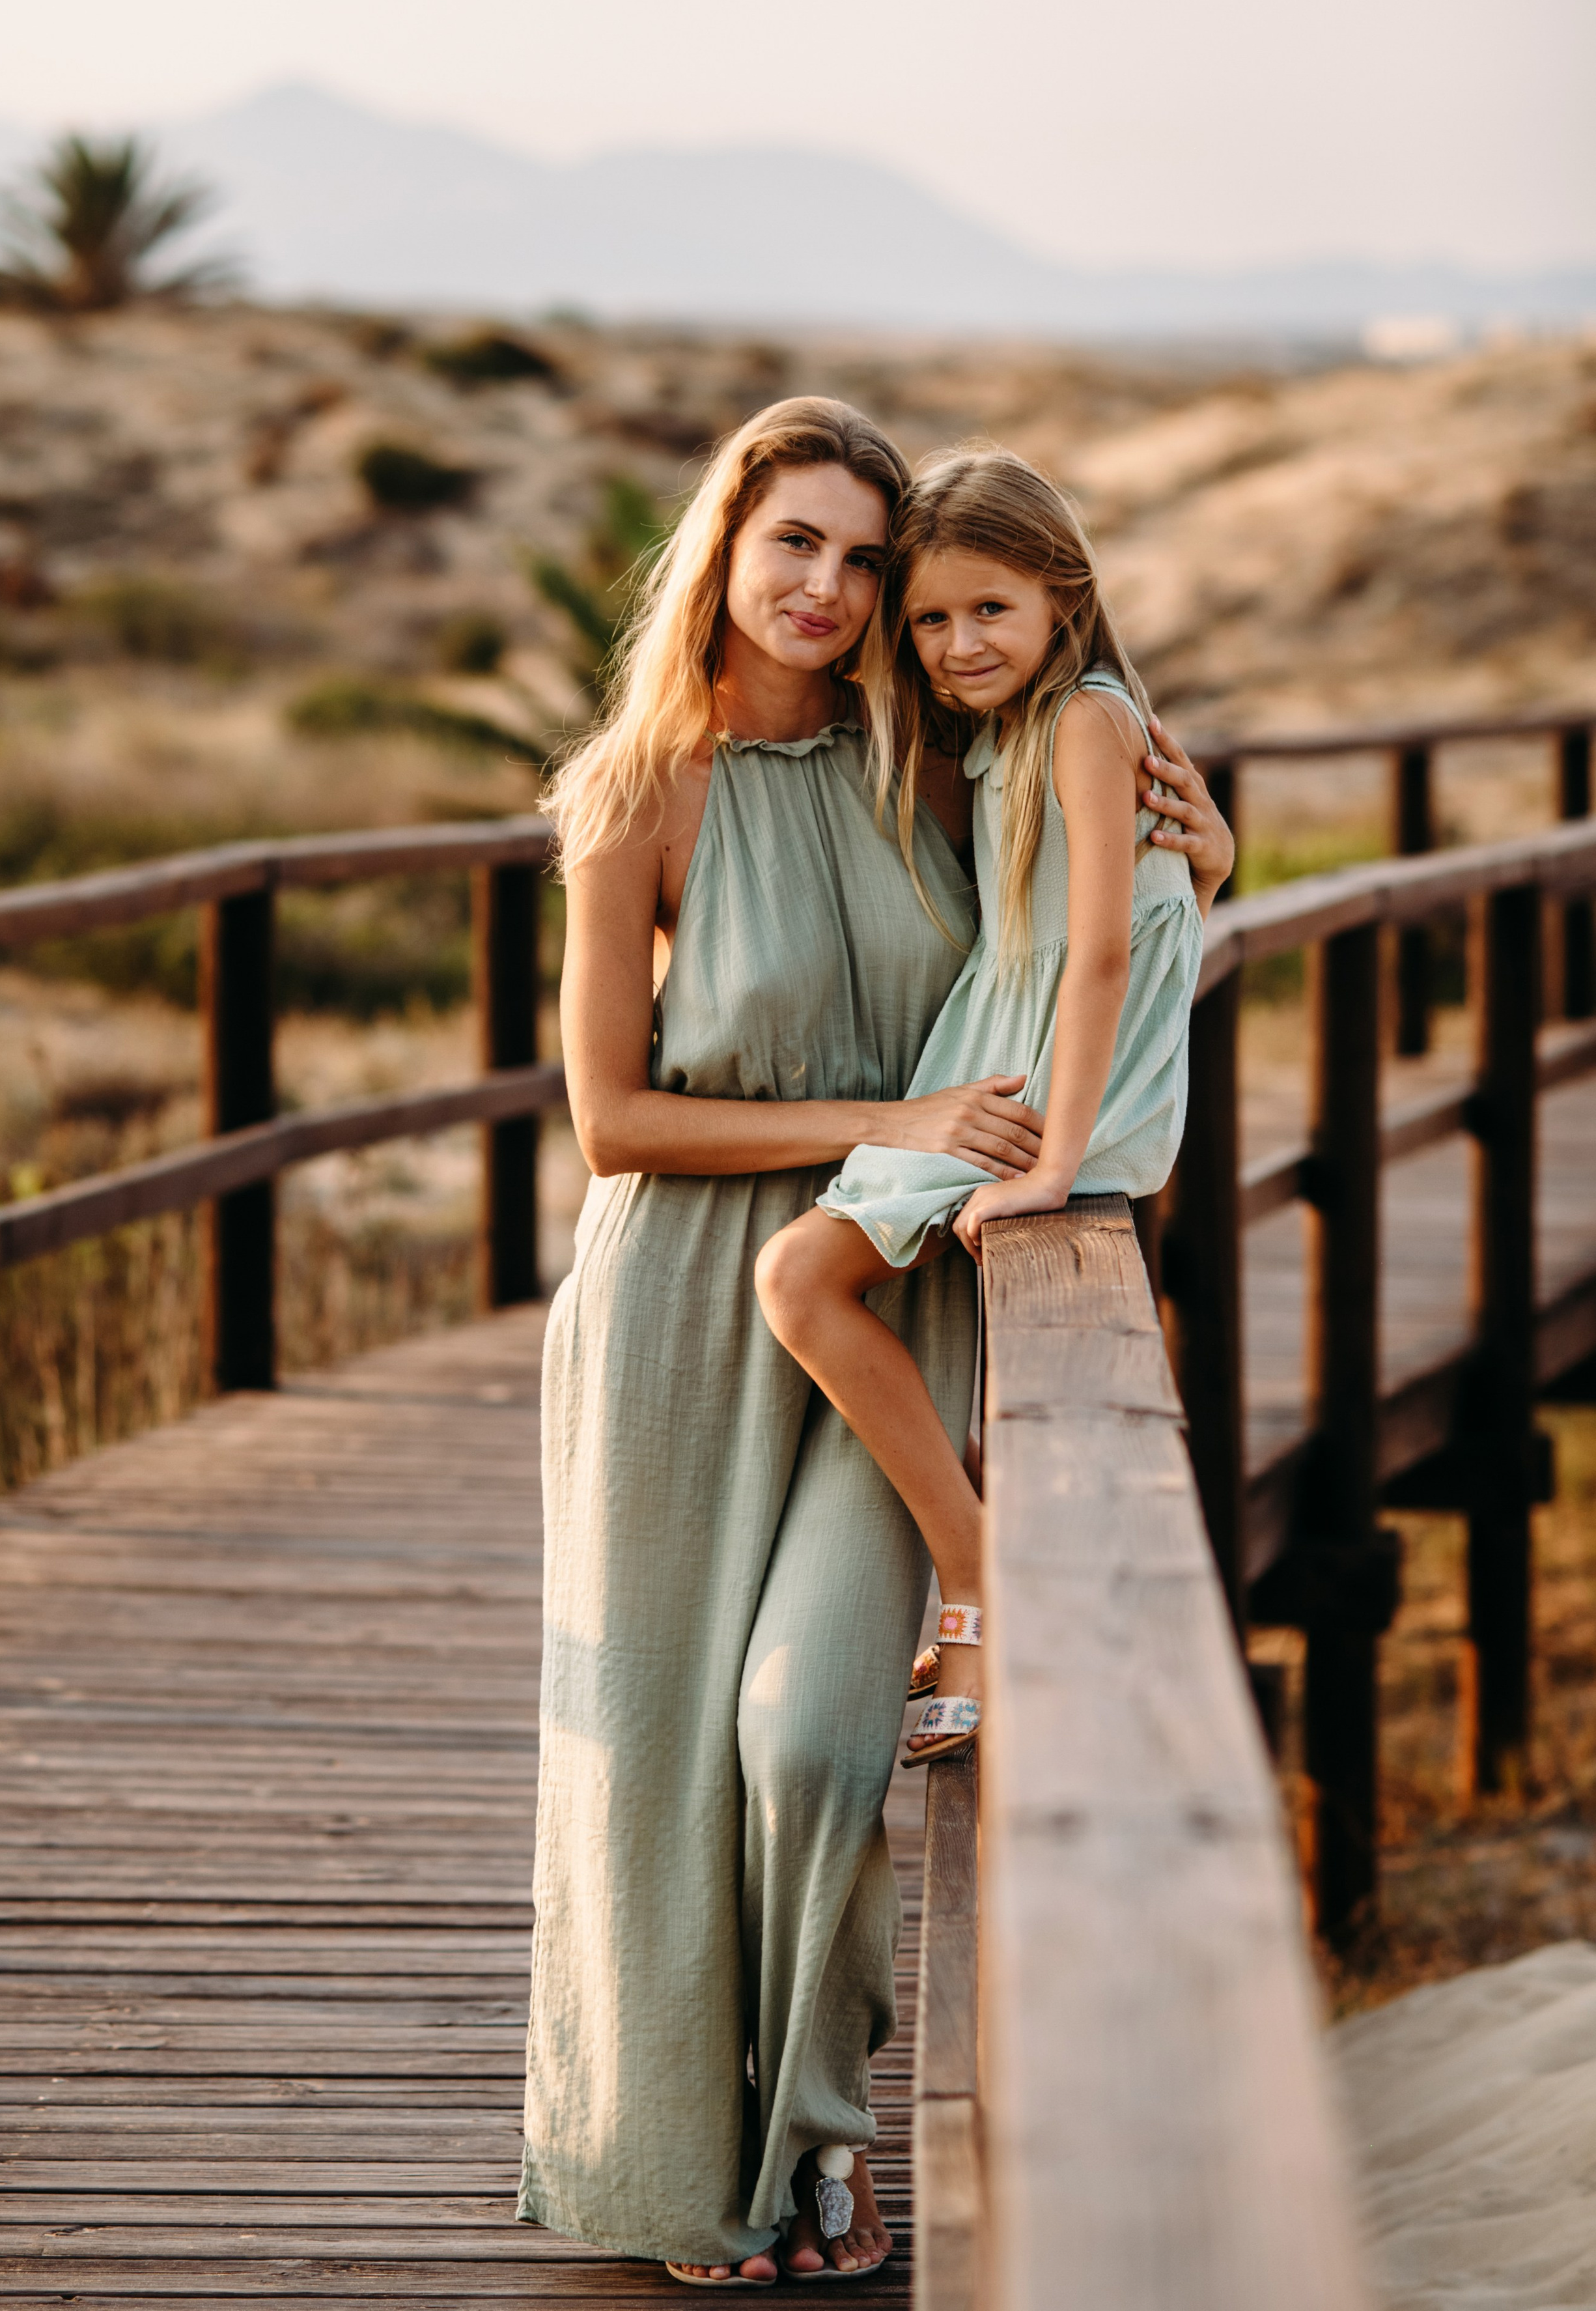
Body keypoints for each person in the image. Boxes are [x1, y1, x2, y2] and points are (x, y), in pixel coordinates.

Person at [518, 401, 1233, 2287]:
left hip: (884, 1306)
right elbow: (609, 1120)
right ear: (723, 553)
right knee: (661, 1750)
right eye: (797, 550)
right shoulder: (631, 797)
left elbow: (1090, 917)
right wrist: (883, 1125)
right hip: (678, 1308)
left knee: (815, 1732)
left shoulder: (935, 744)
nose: (834, 593)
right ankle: (690, 2162)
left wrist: (1207, 845)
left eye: (865, 559)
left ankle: (816, 2117)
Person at [756, 447, 1219, 1773]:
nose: (957, 644)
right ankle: (976, 1571)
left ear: (1062, 595)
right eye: (930, 620)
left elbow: (1108, 951)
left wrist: (1054, 1156)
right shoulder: (1013, 727)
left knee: (796, 1275)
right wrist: (1216, 866)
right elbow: (1142, 896)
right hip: (1012, 1059)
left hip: (1041, 1091)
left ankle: (974, 1578)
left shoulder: (1082, 716)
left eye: (988, 611)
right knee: (809, 1281)